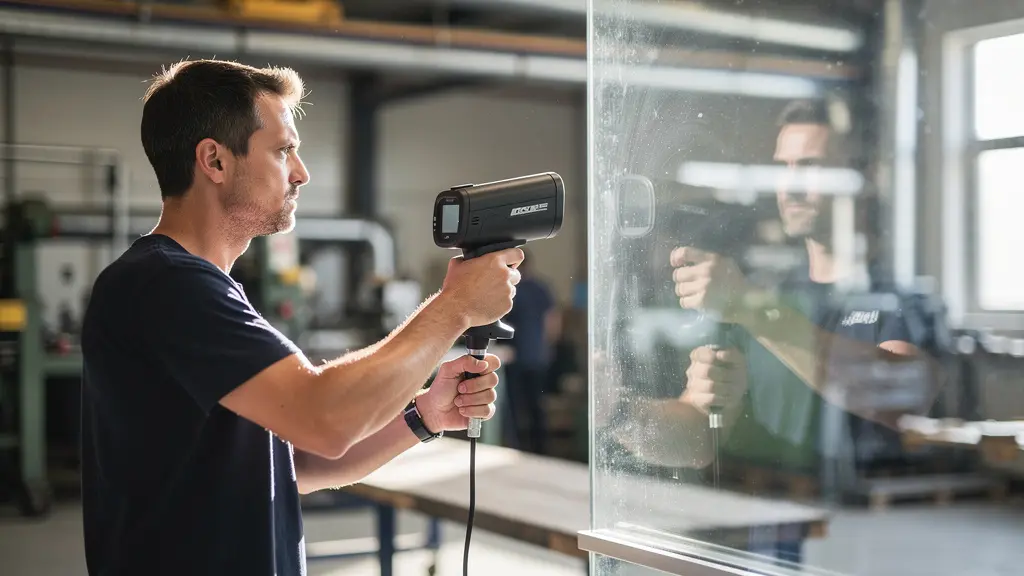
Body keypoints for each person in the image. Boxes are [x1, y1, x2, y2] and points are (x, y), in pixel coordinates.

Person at [79, 59, 524, 576]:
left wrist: (423, 416)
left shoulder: (199, 286)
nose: (301, 172)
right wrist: (455, 306)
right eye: (283, 149)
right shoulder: (164, 284)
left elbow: (293, 465)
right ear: (214, 161)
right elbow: (325, 420)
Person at [610, 99, 943, 479]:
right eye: (782, 167)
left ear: (860, 178)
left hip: (869, 528)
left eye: (810, 167)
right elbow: (698, 438)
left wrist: (750, 307)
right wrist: (616, 413)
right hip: (780, 520)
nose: (790, 186)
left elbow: (899, 397)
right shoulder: (773, 295)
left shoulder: (897, 294)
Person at [502, 251, 560, 453]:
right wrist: (546, 346)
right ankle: (539, 449)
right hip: (533, 355)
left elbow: (551, 320)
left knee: (518, 405)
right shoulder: (540, 288)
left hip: (519, 355)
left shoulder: (512, 289)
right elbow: (552, 321)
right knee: (534, 406)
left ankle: (522, 448)